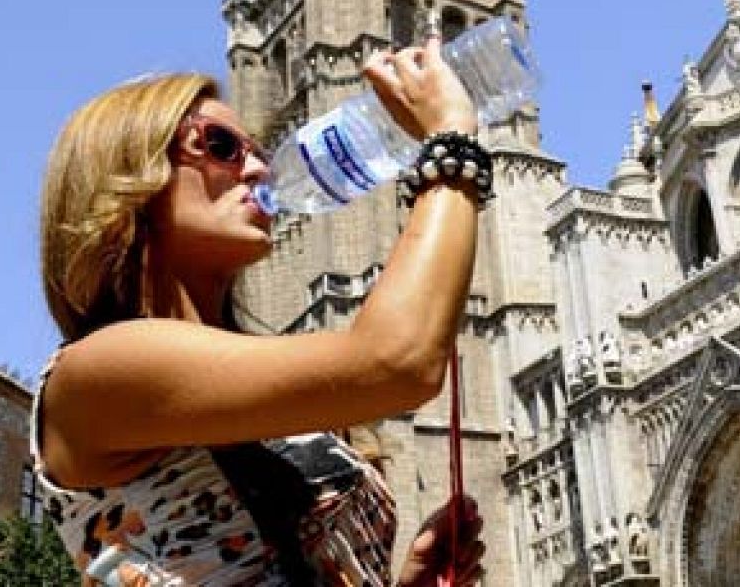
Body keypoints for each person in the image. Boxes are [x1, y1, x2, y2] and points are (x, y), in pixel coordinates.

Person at [33, 36, 489, 585]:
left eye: (260, 153)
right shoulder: (96, 371)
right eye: (221, 145)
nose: (257, 170)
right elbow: (397, 363)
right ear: (131, 174)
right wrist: (452, 149)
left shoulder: (267, 374)